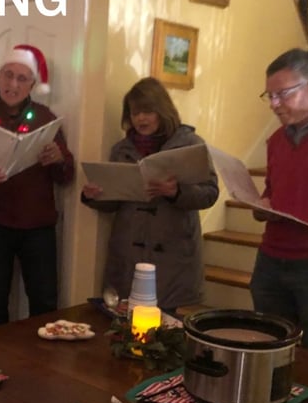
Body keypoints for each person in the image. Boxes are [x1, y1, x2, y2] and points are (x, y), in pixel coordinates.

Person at [0, 44, 74, 328]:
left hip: (38, 227)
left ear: (32, 84)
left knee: (44, 302)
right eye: (8, 75)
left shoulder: (46, 117)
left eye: (21, 78)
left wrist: (58, 159)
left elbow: (65, 175)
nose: (13, 84)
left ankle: (38, 364)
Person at [80, 77, 219, 312]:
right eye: (135, 113)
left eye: (147, 111)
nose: (140, 119)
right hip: (129, 251)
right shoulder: (122, 149)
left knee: (164, 327)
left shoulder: (191, 144)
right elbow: (115, 201)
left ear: (162, 111)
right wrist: (94, 195)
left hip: (172, 253)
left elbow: (210, 193)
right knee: (123, 324)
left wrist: (176, 192)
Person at [250, 48, 308, 358]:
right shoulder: (276, 140)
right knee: (269, 347)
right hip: (271, 259)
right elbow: (274, 190)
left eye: (283, 94)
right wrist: (262, 205)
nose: (275, 104)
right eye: (270, 95)